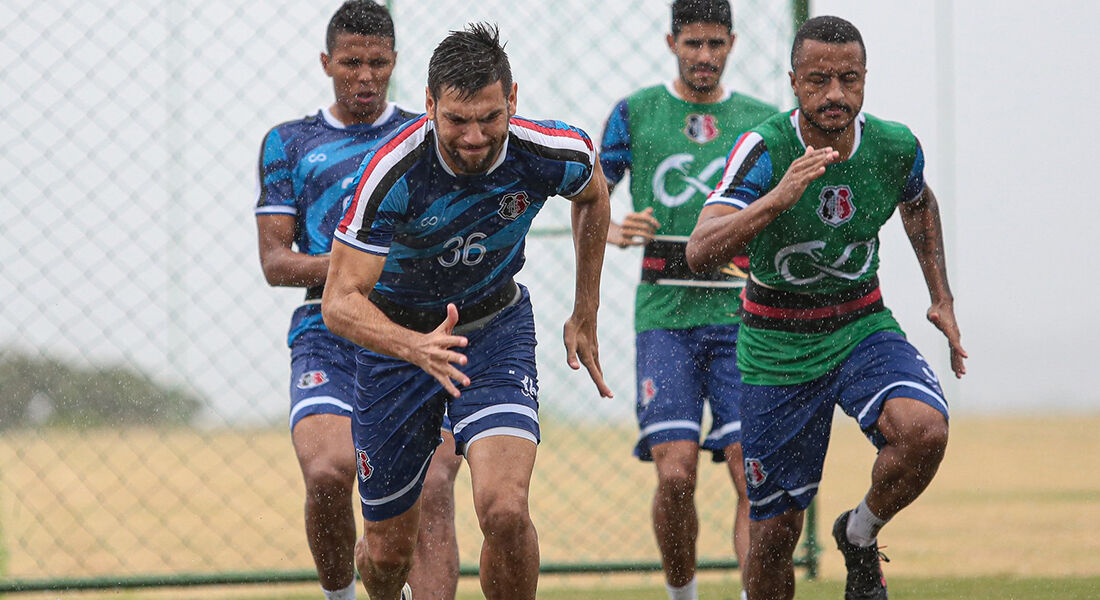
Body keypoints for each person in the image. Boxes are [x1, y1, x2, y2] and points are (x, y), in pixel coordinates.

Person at [321, 22, 613, 600]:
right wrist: (415, 347)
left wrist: (586, 310)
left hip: (494, 329)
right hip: (399, 347)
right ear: (429, 104)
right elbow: (339, 302)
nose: (476, 137)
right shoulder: (391, 173)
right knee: (386, 554)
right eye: (457, 120)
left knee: (504, 511)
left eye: (490, 118)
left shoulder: (551, 151)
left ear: (512, 100)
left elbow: (594, 193)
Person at [686, 15, 967, 600]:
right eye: (818, 80)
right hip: (777, 345)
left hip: (861, 325)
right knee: (773, 538)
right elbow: (699, 251)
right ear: (794, 81)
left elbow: (918, 201)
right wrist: (778, 197)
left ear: (865, 79)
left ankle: (859, 535)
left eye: (849, 78)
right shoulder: (764, 148)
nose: (835, 94)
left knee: (924, 432)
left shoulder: (893, 145)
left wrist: (940, 296)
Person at [253, 3, 462, 599]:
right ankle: (342, 595)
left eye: (377, 62)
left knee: (433, 488)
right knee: (327, 472)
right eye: (350, 63)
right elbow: (276, 262)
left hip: (420, 328)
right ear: (326, 63)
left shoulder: (424, 135)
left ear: (395, 62)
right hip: (330, 327)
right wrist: (356, 264)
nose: (365, 75)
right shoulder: (289, 143)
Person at [598, 1, 774, 599]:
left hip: (741, 321)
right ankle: (684, 594)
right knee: (675, 474)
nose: (705, 56)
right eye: (693, 43)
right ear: (672, 41)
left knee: (752, 478)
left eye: (716, 44)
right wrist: (612, 227)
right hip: (665, 320)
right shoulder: (634, 114)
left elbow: (789, 208)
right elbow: (590, 196)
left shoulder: (762, 121)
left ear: (732, 43)